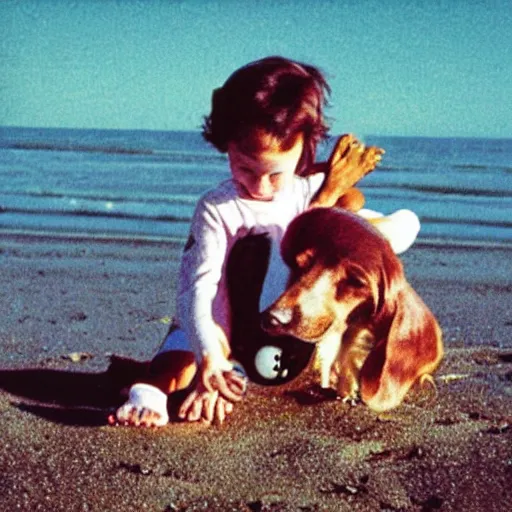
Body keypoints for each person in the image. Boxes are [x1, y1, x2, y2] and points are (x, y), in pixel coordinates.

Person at [108, 56, 419, 427]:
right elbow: (197, 290)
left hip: (282, 323)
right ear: (226, 147)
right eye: (243, 168)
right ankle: (152, 391)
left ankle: (231, 375)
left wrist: (330, 191)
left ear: (304, 151)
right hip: (218, 318)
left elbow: (348, 213)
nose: (258, 187)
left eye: (274, 174)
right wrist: (210, 356)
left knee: (352, 237)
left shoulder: (307, 191)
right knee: (183, 358)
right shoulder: (218, 208)